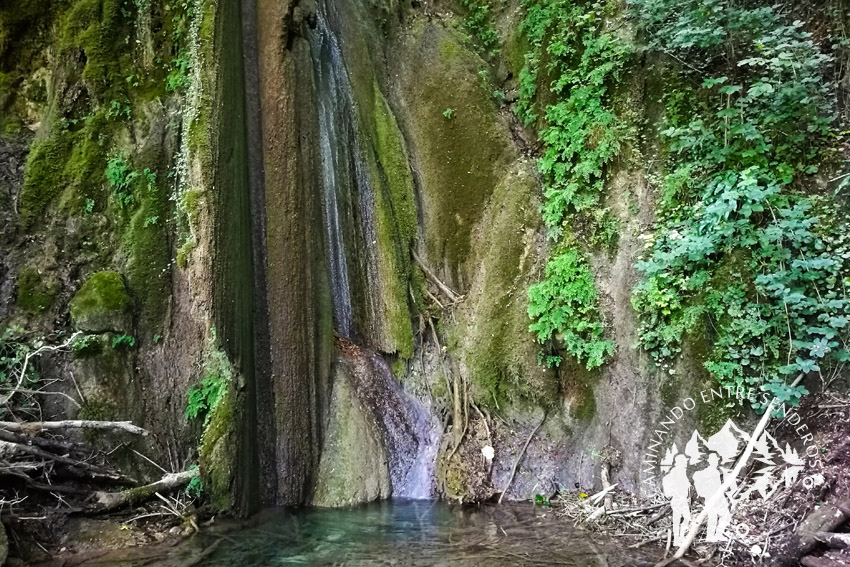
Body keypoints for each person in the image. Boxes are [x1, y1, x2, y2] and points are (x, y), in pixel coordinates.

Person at [692, 452, 731, 541]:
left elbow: (717, 486)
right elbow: (702, 488)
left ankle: (718, 534)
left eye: (716, 460)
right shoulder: (705, 473)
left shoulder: (717, 472)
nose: (715, 462)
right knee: (713, 516)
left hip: (719, 497)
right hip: (710, 497)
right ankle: (710, 537)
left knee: (726, 515)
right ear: (709, 461)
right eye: (713, 460)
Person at [662, 453, 692, 546]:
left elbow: (686, 486)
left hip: (683, 500)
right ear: (679, 462)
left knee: (686, 519)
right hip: (678, 500)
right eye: (684, 461)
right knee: (677, 520)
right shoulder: (675, 472)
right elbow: (673, 486)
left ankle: (680, 538)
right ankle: (677, 540)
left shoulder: (682, 472)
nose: (686, 463)